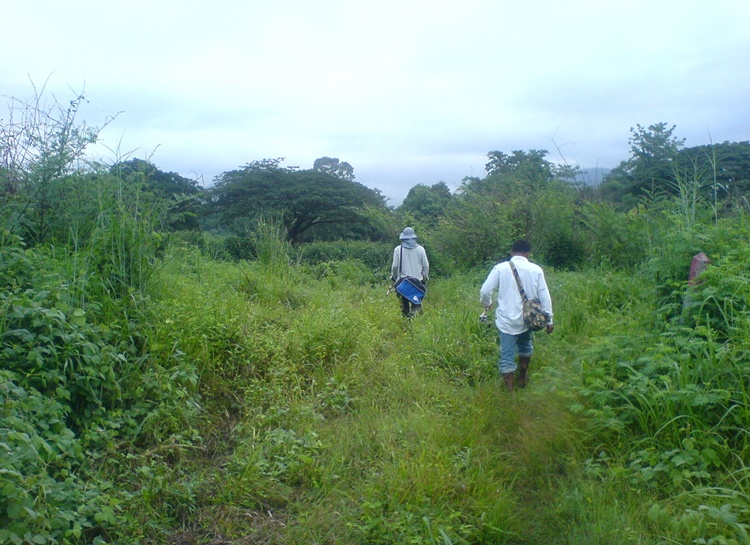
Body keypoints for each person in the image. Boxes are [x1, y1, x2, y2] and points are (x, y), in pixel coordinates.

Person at [479, 239, 554, 392]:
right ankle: (522, 376)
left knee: (506, 354)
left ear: (512, 251)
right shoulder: (536, 270)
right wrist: (549, 319)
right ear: (527, 253)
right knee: (526, 346)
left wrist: (487, 304)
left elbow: (485, 291)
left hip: (506, 320)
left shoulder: (500, 268)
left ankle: (511, 393)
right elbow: (545, 296)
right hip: (528, 319)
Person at [390, 227, 430, 317]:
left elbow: (395, 266)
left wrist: (394, 277)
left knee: (404, 307)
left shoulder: (398, 249)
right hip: (417, 282)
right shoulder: (420, 249)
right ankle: (415, 319)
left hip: (403, 283)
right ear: (414, 238)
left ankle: (407, 324)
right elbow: (426, 266)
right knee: (416, 303)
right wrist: (425, 277)